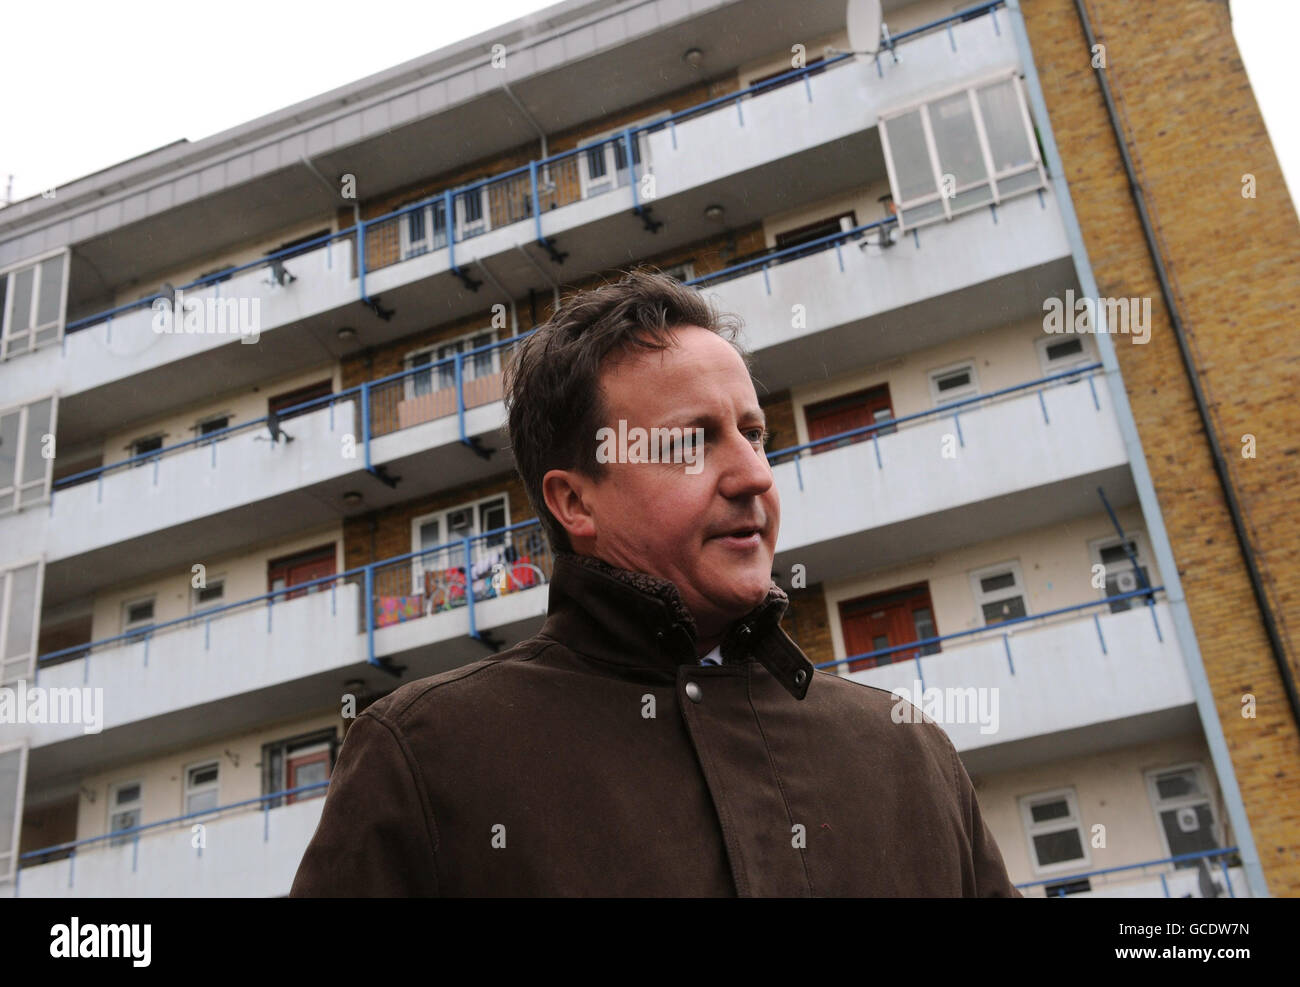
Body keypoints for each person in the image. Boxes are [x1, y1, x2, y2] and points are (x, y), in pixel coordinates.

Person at [290, 268, 1021, 897]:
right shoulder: (426, 756)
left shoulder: (906, 751)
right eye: (691, 442)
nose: (754, 474)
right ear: (575, 501)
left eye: (754, 432)